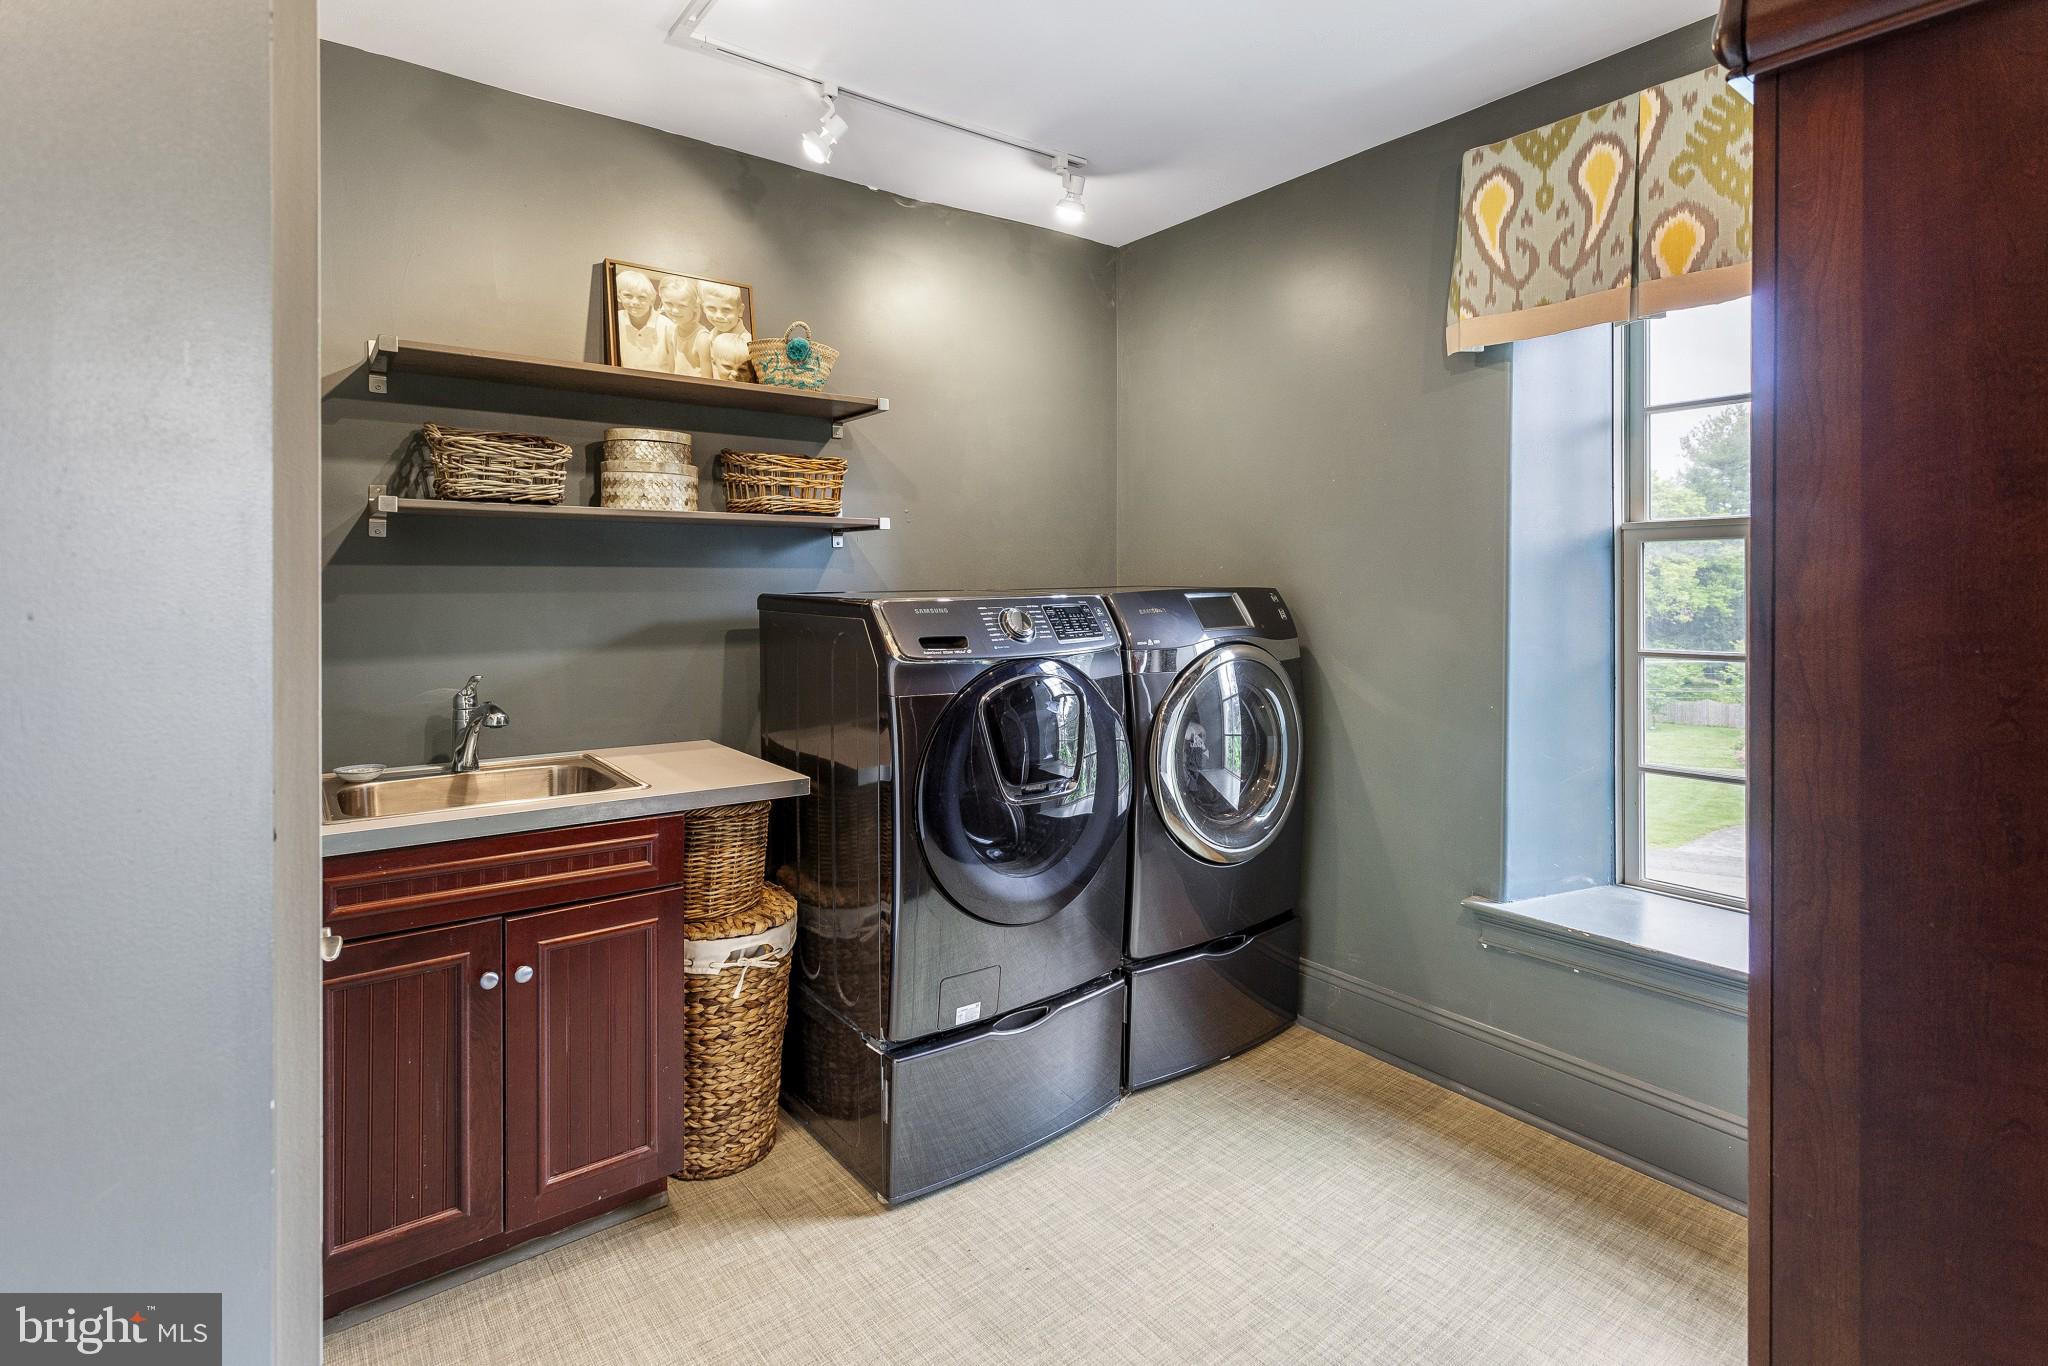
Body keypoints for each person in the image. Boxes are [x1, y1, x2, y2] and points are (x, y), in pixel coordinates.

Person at [614, 269, 674, 372]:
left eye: (642, 297)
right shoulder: (615, 321)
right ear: (619, 297)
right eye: (628, 295)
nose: (635, 302)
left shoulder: (667, 326)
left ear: (651, 299)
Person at [699, 281, 752, 379]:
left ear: (740, 310)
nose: (718, 316)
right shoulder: (707, 339)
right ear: (703, 308)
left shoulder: (750, 344)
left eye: (726, 310)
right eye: (711, 308)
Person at [658, 276, 708, 376]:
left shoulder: (702, 338)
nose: (674, 310)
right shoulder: (672, 331)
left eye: (682, 305)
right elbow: (672, 371)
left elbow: (709, 379)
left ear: (695, 306)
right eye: (669, 303)